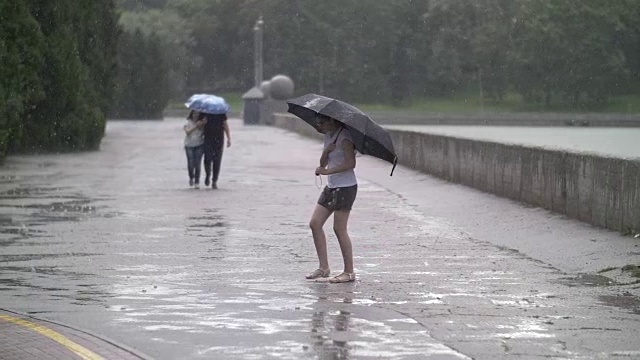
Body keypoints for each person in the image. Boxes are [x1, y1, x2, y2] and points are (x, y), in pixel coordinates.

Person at [306, 114, 358, 283]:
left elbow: (351, 164)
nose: (320, 126)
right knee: (315, 223)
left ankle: (349, 272)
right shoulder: (329, 136)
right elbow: (323, 163)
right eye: (318, 123)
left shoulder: (344, 137)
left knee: (339, 228)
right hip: (332, 186)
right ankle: (324, 267)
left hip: (346, 187)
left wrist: (328, 171)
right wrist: (326, 152)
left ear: (332, 120)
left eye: (322, 123)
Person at [202, 113, 231, 189]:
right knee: (207, 159)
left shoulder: (221, 113)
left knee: (217, 161)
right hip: (207, 139)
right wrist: (203, 122)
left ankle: (214, 180)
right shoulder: (205, 113)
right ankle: (208, 174)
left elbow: (225, 125)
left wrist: (228, 138)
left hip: (219, 139)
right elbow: (199, 126)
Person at [183, 111, 205, 188]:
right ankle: (191, 177)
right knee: (190, 163)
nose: (195, 115)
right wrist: (196, 126)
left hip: (199, 144)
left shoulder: (202, 122)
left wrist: (202, 124)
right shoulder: (187, 122)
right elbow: (187, 132)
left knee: (197, 163)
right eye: (194, 113)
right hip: (189, 145)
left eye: (197, 114)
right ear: (191, 114)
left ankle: (197, 181)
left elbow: (205, 132)